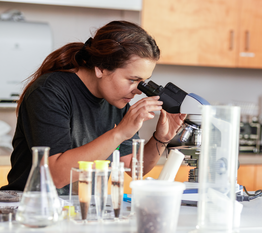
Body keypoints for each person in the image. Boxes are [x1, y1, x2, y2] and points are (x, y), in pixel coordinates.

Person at [1, 21, 186, 194]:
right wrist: (119, 133)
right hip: (30, 210)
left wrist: (161, 138)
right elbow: (56, 176)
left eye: (143, 82)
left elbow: (134, 167)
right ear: (101, 68)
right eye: (132, 80)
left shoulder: (115, 100)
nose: (138, 90)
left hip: (81, 211)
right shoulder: (49, 92)